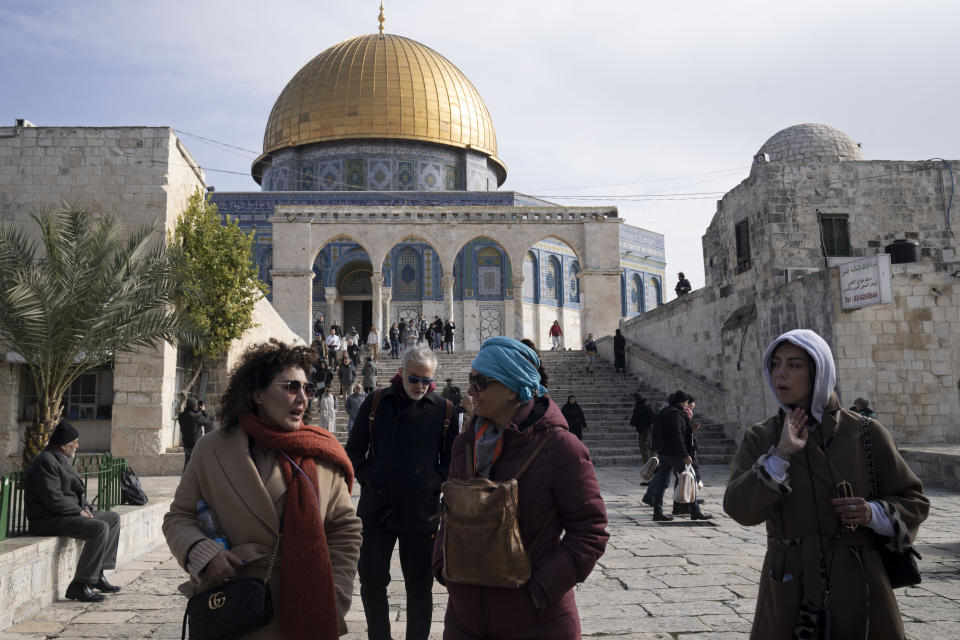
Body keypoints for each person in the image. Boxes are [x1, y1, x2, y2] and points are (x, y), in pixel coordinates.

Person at [724, 329, 929, 639]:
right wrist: (779, 455)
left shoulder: (865, 433)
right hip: (790, 582)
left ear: (818, 371)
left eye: (794, 365)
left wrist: (872, 513)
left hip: (858, 581)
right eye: (776, 364)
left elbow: (914, 502)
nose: (781, 373)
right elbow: (740, 509)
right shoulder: (762, 437)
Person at [163, 339, 362, 639]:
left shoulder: (322, 454)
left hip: (307, 608)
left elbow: (344, 529)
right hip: (234, 605)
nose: (303, 399)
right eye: (291, 387)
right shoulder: (212, 450)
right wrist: (201, 553)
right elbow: (179, 517)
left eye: (307, 389)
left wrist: (337, 592)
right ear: (257, 393)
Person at [433, 337, 608, 639]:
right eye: (471, 380)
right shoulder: (465, 444)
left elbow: (590, 529)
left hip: (536, 622)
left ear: (513, 388)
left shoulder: (560, 448)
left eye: (481, 382)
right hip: (465, 621)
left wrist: (539, 591)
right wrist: (441, 564)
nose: (472, 390)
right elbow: (449, 512)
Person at [345, 343, 457, 640]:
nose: (420, 386)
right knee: (371, 580)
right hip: (376, 508)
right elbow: (355, 451)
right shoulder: (377, 402)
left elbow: (451, 460)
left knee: (419, 586)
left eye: (426, 380)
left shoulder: (443, 410)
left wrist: (434, 481)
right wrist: (374, 479)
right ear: (401, 373)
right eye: (414, 379)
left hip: (422, 512)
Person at [24, 421, 122, 603]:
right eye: (74, 442)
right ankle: (80, 585)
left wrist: (85, 507)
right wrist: (78, 512)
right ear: (63, 444)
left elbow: (74, 491)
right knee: (99, 528)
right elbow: (53, 498)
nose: (77, 445)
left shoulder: (61, 459)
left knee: (112, 518)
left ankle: (97, 574)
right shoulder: (46, 462)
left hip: (67, 514)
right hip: (48, 519)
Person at [647, 390, 711, 521]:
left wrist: (691, 430)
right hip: (674, 453)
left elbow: (678, 432)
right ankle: (695, 511)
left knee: (661, 482)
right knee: (691, 479)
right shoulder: (675, 414)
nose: (687, 405)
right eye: (687, 402)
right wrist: (685, 454)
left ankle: (657, 512)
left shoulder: (666, 411)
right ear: (682, 402)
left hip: (664, 452)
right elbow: (677, 436)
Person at [178, 396, 213, 470]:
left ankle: (185, 480)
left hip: (186, 444)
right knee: (198, 467)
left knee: (187, 466)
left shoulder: (181, 416)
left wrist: (197, 412)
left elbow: (190, 416)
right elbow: (208, 422)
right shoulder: (195, 417)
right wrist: (203, 411)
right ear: (195, 406)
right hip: (195, 445)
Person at [630, 393, 654, 462]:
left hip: (643, 431)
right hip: (650, 430)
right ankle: (653, 464)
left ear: (635, 399)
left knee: (644, 450)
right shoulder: (647, 406)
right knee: (651, 449)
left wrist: (632, 423)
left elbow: (634, 420)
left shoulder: (638, 408)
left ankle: (647, 466)